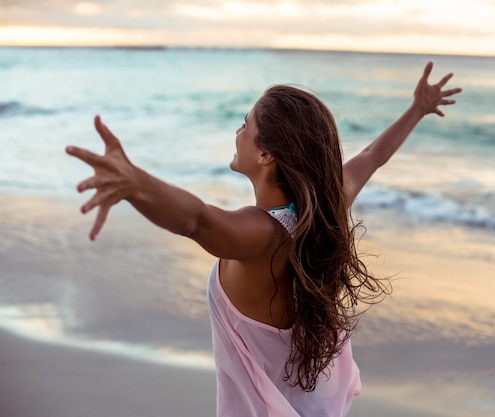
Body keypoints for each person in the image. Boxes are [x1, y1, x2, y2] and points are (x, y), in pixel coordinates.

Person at [66, 61, 461, 417]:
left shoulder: (263, 236)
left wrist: (136, 184)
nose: (237, 132)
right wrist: (416, 110)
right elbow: (374, 155)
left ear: (266, 154)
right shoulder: (322, 209)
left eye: (245, 125)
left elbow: (196, 220)